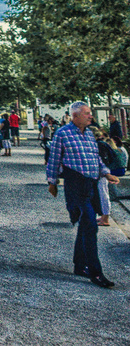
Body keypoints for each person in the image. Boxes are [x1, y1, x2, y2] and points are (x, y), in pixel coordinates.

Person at [46, 101, 119, 288]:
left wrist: (106, 172)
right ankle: (96, 273)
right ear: (75, 116)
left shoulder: (89, 134)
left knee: (86, 223)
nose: (90, 116)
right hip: (75, 184)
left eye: (90, 113)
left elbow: (96, 158)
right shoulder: (62, 134)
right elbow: (53, 159)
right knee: (90, 226)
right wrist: (52, 182)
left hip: (91, 184)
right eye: (86, 113)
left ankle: (80, 265)